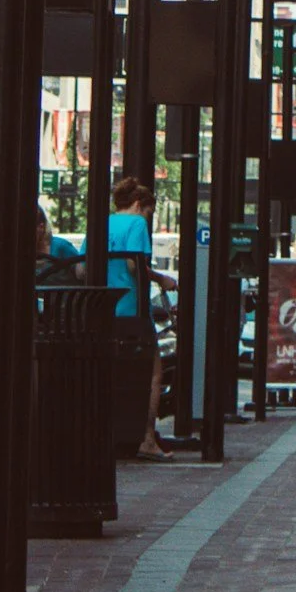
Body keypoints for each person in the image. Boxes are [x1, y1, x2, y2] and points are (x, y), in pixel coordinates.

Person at [108, 175, 171, 462]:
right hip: (132, 309)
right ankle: (146, 437)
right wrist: (162, 279)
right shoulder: (136, 224)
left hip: (104, 310)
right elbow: (136, 265)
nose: (149, 218)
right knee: (153, 373)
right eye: (149, 212)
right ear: (138, 205)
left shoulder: (103, 222)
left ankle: (115, 434)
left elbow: (81, 270)